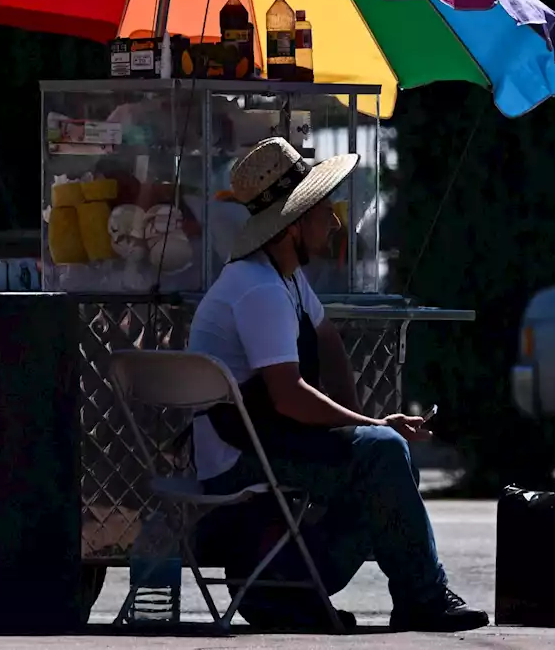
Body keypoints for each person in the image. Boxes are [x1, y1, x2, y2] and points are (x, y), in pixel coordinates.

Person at [187, 136, 489, 633]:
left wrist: (357, 436)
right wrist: (371, 428)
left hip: (269, 440)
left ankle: (287, 592)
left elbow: (327, 341)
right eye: (323, 210)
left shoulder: (285, 277)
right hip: (238, 462)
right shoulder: (257, 289)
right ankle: (421, 596)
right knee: (384, 452)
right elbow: (288, 395)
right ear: (291, 225)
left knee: (380, 457)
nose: (333, 222)